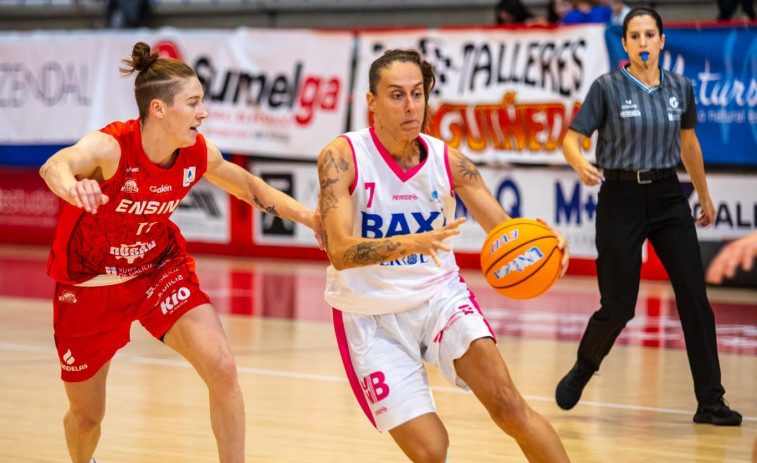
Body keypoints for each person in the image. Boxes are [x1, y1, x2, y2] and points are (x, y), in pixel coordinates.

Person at [40, 41, 322, 463]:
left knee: (223, 368)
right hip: (89, 284)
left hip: (157, 268)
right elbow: (56, 164)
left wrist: (311, 218)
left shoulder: (197, 151)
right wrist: (72, 185)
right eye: (193, 103)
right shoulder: (111, 148)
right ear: (158, 109)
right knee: (87, 416)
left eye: (202, 102)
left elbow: (247, 186)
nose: (203, 112)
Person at [317, 49, 572, 463]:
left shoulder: (447, 159)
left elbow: (505, 232)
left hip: (439, 298)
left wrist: (543, 241)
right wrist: (412, 243)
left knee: (509, 405)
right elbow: (341, 251)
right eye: (397, 95)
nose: (411, 106)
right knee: (432, 450)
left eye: (417, 94)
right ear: (371, 102)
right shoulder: (342, 156)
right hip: (369, 315)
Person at [557, 7, 742, 426]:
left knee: (695, 298)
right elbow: (572, 139)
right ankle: (584, 368)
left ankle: (710, 402)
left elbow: (689, 144)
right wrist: (579, 162)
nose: (643, 42)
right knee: (619, 306)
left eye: (649, 35)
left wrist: (705, 196)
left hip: (667, 196)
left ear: (662, 41)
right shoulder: (606, 87)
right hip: (620, 196)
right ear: (624, 44)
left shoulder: (681, 87)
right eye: (634, 36)